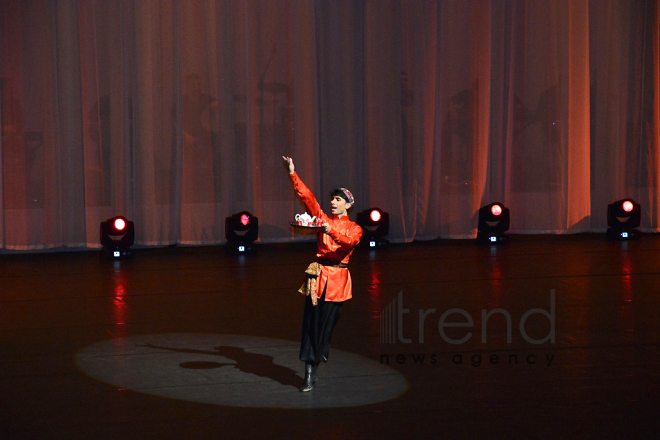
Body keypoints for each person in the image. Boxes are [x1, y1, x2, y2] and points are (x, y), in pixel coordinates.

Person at [282, 156, 363, 392]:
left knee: (325, 328)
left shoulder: (353, 227)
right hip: (317, 279)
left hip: (337, 282)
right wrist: (293, 173)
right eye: (332, 199)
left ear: (348, 205)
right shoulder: (322, 219)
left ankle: (315, 364)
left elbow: (349, 243)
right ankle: (308, 372)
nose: (333, 203)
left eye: (338, 200)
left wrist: (331, 231)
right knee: (311, 325)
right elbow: (308, 198)